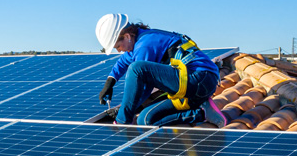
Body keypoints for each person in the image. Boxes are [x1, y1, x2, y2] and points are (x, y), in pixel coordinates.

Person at [95, 13, 227, 127]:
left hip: (200, 78)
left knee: (136, 69)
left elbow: (143, 86)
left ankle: (123, 122)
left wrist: (122, 114)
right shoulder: (138, 41)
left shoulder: (146, 44)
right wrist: (110, 82)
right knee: (145, 120)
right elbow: (124, 60)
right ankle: (202, 112)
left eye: (118, 46)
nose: (119, 50)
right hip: (189, 89)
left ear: (128, 36)